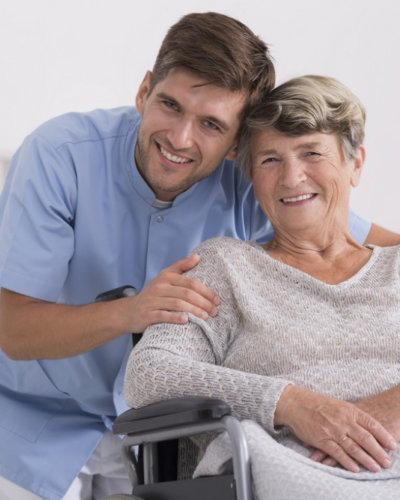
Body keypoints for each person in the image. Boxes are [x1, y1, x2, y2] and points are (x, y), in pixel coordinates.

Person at [0, 11, 397, 500]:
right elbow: (12, 331)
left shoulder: (258, 177)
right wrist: (131, 312)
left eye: (211, 123)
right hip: (35, 423)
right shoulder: (59, 156)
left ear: (236, 144)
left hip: (159, 442)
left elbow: (346, 235)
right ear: (144, 90)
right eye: (170, 105)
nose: (181, 138)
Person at [125, 75, 400, 499]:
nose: (292, 178)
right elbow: (149, 373)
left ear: (355, 164)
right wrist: (289, 403)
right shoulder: (227, 267)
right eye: (270, 160)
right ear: (251, 175)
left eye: (312, 153)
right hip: (290, 466)